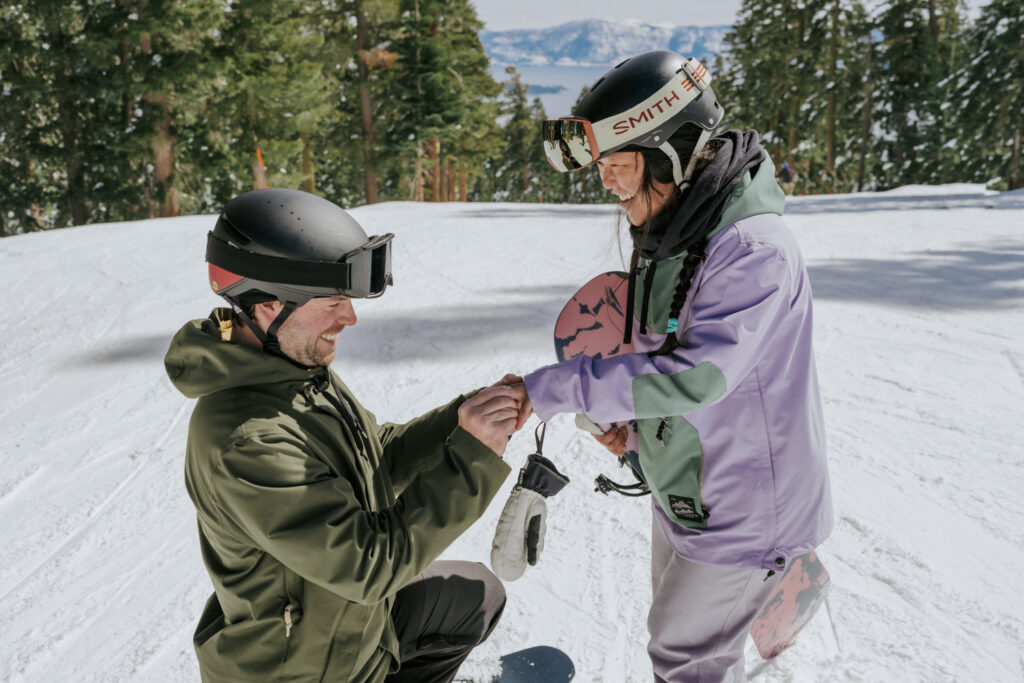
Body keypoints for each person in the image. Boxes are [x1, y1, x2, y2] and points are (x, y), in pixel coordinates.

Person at [534, 51, 833, 681]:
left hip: (744, 507)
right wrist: (639, 433)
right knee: (680, 631)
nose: (608, 183)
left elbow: (698, 375)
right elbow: (662, 355)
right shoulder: (678, 232)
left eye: (618, 165)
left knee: (684, 657)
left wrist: (550, 390)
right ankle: (763, 589)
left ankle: (770, 575)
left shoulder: (752, 249)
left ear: (670, 151)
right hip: (694, 488)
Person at [164, 188, 524, 682]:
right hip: (306, 671)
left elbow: (375, 455)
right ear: (269, 307)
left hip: (354, 633)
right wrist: (473, 459)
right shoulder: (248, 441)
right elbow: (370, 568)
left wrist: (463, 418)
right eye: (333, 301)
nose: (349, 318)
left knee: (477, 595)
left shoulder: (291, 370)